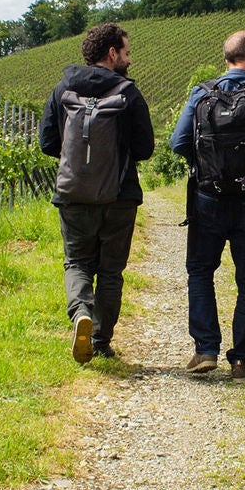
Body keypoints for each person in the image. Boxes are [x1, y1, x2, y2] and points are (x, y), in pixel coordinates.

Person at [170, 30, 245, 381]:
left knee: (200, 271)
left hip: (207, 199)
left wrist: (208, 165)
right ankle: (241, 361)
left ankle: (206, 349)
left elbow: (178, 142)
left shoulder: (201, 94)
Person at [39, 22, 154, 364]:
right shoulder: (128, 93)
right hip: (119, 197)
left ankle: (80, 315)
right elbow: (145, 148)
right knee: (110, 271)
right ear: (112, 53)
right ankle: (101, 341)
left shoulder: (63, 89)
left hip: (73, 195)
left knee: (77, 262)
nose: (129, 59)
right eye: (127, 52)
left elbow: (47, 143)